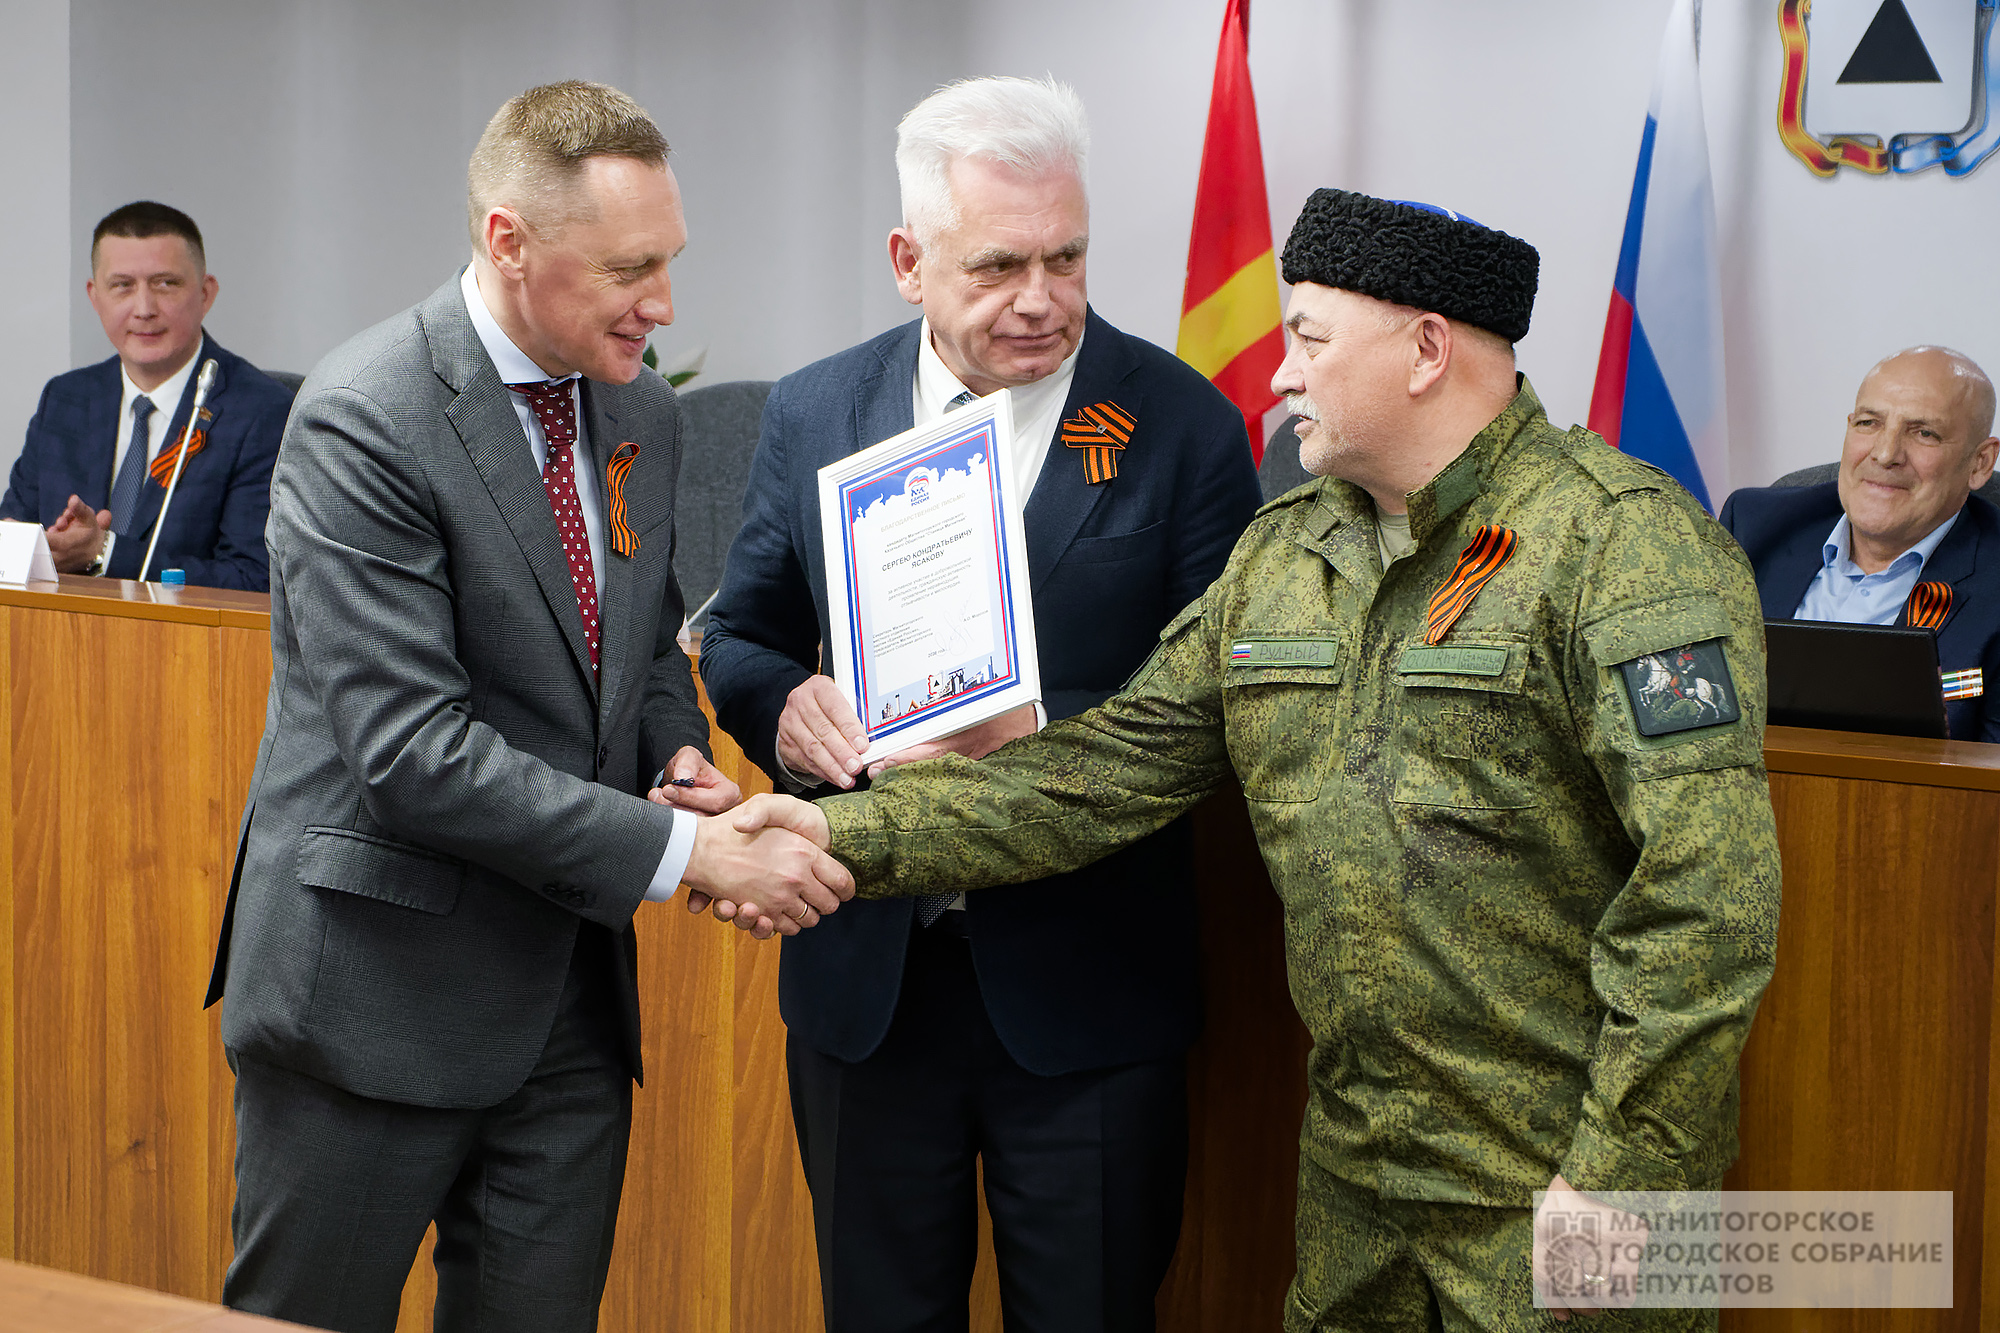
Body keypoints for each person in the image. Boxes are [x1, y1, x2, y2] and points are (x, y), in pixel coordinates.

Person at [706, 190, 1781, 1332]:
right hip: (1357, 1179)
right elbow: (1095, 772)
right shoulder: (1284, 555)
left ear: (1425, 351)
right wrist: (836, 830)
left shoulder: (1625, 546)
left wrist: (1623, 1173)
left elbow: (1705, 896)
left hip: (1561, 1176)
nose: (1279, 375)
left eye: (1309, 339)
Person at [203, 81, 848, 1333]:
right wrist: (690, 856)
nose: (662, 303)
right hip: (371, 1003)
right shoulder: (365, 416)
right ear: (507, 240)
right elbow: (411, 753)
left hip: (567, 1011)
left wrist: (676, 758)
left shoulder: (641, 408)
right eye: (628, 268)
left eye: (669, 260)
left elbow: (644, 643)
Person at [696, 76, 1261, 1332]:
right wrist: (781, 703)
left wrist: (1042, 732)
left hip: (1084, 987)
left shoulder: (1180, 423)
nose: (1041, 298)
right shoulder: (816, 407)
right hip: (869, 980)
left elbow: (1223, 694)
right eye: (998, 265)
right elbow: (740, 632)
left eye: (1067, 258)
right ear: (909, 262)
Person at [1, 201, 291, 590]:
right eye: (122, 286)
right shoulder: (65, 399)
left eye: (165, 283)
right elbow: (12, 544)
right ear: (95, 297)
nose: (144, 309)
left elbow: (255, 579)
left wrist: (105, 554)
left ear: (205, 294)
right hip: (61, 628)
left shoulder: (263, 412)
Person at [1719, 346, 2000, 740]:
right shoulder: (1752, 526)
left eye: (1924, 433)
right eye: (1869, 423)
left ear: (1980, 463)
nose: (1885, 454)